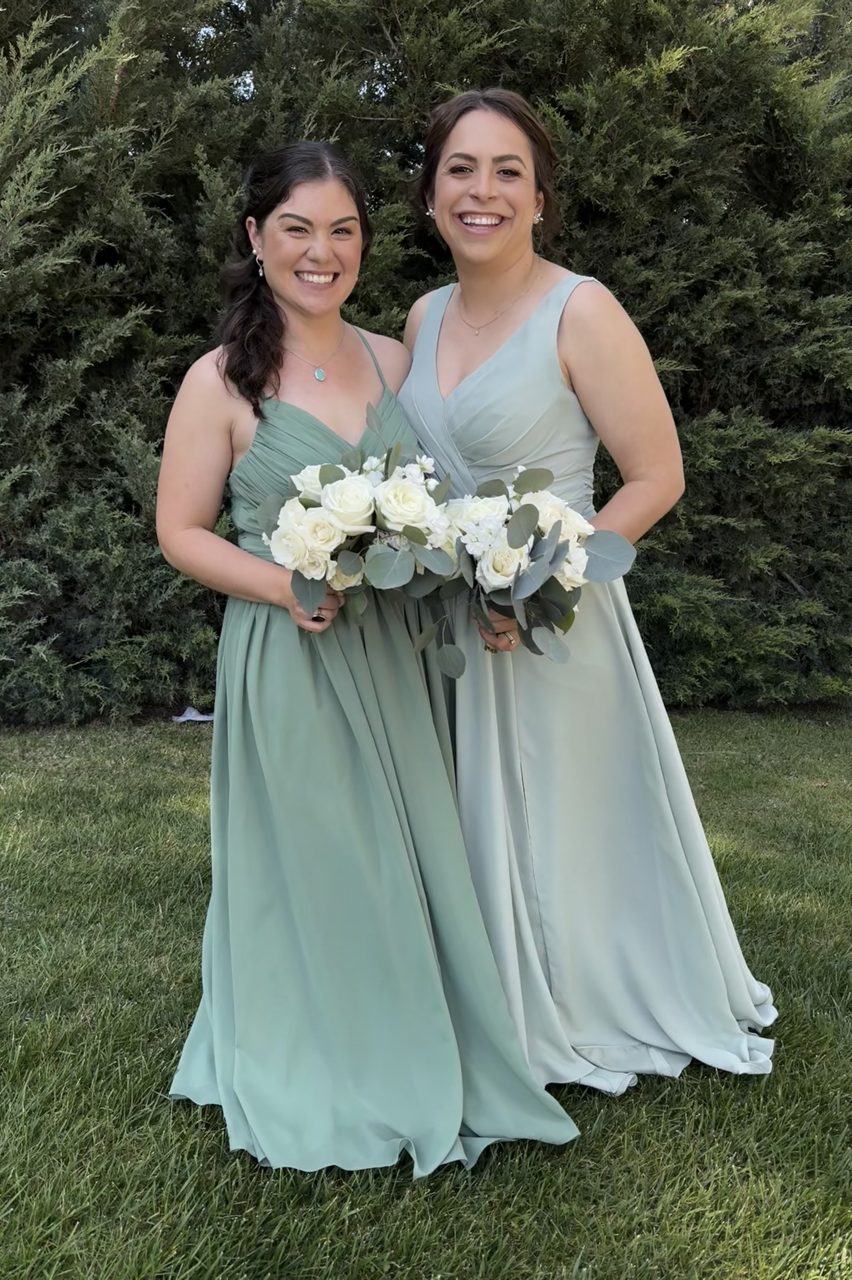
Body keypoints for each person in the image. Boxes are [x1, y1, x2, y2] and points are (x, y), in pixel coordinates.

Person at [155, 140, 577, 1175]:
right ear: (256, 238)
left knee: (410, 849)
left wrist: (488, 582)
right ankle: (323, 1054)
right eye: (297, 229)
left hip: (399, 649)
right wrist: (282, 583)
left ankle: (422, 1039)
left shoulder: (394, 359)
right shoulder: (219, 381)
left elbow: (442, 506)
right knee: (321, 854)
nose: (322, 251)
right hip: (291, 653)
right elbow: (181, 532)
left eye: (342, 231)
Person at [399, 90, 776, 1096]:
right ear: (430, 196)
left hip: (553, 617)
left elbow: (657, 475)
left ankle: (580, 998)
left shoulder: (582, 309)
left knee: (564, 815)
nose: (482, 191)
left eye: (507, 171)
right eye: (460, 170)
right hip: (446, 619)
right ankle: (481, 989)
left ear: (539, 198)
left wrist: (538, 576)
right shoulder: (422, 317)